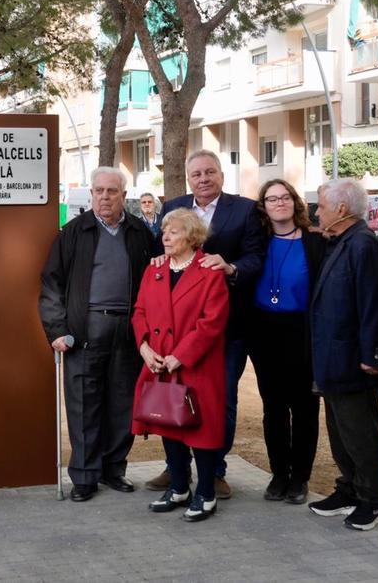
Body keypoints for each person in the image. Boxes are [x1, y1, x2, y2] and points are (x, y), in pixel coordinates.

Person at [149, 150, 265, 499]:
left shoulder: (244, 210)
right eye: (197, 173)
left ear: (221, 175)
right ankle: (177, 470)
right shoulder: (176, 206)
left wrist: (230, 267)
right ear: (188, 178)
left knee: (220, 399)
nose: (203, 178)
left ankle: (214, 470)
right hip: (177, 331)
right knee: (174, 396)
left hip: (225, 327)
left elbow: (257, 257)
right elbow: (164, 248)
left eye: (210, 172)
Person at [39, 167, 155, 501]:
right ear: (91, 194)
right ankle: (86, 476)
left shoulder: (139, 233)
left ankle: (113, 468)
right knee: (85, 404)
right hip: (86, 328)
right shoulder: (74, 232)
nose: (104, 197)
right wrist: (57, 329)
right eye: (99, 191)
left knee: (123, 402)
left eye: (112, 192)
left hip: (129, 330)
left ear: (124, 195)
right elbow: (51, 284)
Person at [134, 208, 229, 522]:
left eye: (173, 232)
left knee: (199, 431)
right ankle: (178, 488)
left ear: (191, 236)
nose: (166, 237)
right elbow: (140, 312)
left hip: (195, 366)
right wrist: (144, 346)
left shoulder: (210, 271)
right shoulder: (155, 269)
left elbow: (212, 323)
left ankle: (206, 492)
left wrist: (182, 355)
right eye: (164, 232)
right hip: (159, 364)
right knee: (167, 425)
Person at [307, 179, 378, 531]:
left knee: (360, 432)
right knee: (340, 431)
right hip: (332, 356)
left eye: (322, 206)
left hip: (353, 358)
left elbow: (372, 304)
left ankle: (372, 499)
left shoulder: (362, 244)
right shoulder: (340, 241)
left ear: (341, 209)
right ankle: (350, 488)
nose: (316, 211)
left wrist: (370, 355)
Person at [248, 180, 324, 504]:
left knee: (305, 407)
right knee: (273, 408)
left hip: (303, 330)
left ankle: (300, 478)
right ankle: (279, 474)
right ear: (263, 206)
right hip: (265, 331)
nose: (279, 203)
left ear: (295, 202)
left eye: (284, 197)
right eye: (271, 198)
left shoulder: (315, 242)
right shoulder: (257, 242)